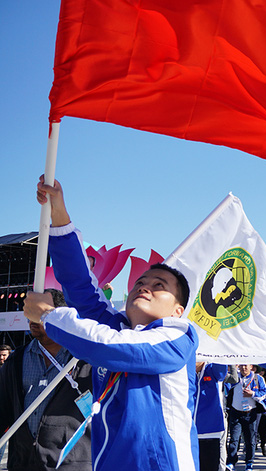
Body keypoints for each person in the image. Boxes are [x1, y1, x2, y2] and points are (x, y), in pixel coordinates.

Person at [27, 177, 199, 471]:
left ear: (178, 310)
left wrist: (49, 316)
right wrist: (59, 214)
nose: (145, 286)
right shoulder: (117, 328)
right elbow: (82, 287)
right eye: (141, 282)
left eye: (160, 285)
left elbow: (114, 347)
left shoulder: (178, 337)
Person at [0, 288, 93, 470]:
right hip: (24, 462)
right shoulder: (16, 360)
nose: (32, 318)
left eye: (40, 312)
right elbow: (3, 408)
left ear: (60, 316)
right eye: (30, 311)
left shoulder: (85, 359)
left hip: (72, 463)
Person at [226, 364, 266, 470]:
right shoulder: (234, 377)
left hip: (250, 413)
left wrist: (252, 394)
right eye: (242, 365)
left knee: (250, 440)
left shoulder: (257, 378)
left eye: (246, 365)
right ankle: (231, 462)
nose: (244, 368)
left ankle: (249, 462)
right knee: (234, 439)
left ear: (251, 366)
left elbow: (264, 393)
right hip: (236, 413)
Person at [194, 362, 231, 471]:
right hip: (188, 432)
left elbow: (221, 370)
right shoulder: (185, 367)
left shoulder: (213, 368)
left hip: (209, 433)